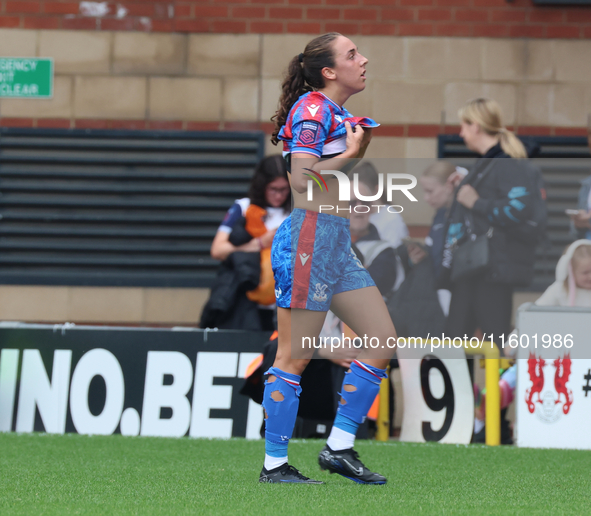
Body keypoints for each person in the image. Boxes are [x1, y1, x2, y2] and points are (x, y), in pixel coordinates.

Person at [259, 32, 397, 485]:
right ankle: (275, 466)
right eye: (353, 54)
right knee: (294, 356)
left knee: (380, 339)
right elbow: (302, 180)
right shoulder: (314, 108)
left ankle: (338, 448)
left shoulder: (333, 112)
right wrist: (352, 153)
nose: (365, 59)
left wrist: (353, 150)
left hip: (334, 241)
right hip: (309, 242)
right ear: (328, 71)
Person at [442, 98, 540, 353]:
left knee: (496, 344)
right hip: (474, 269)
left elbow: (517, 210)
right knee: (455, 344)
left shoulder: (507, 161)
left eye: (464, 125)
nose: (461, 132)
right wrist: (467, 183)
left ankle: (504, 392)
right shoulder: (488, 162)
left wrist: (476, 202)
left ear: (476, 126)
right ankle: (460, 394)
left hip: (492, 270)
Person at [200, 155, 290, 331]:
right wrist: (259, 243)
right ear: (262, 185)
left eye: (284, 190)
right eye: (273, 189)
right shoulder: (243, 207)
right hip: (247, 303)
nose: (278, 195)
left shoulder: (297, 210)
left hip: (283, 304)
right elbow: (217, 250)